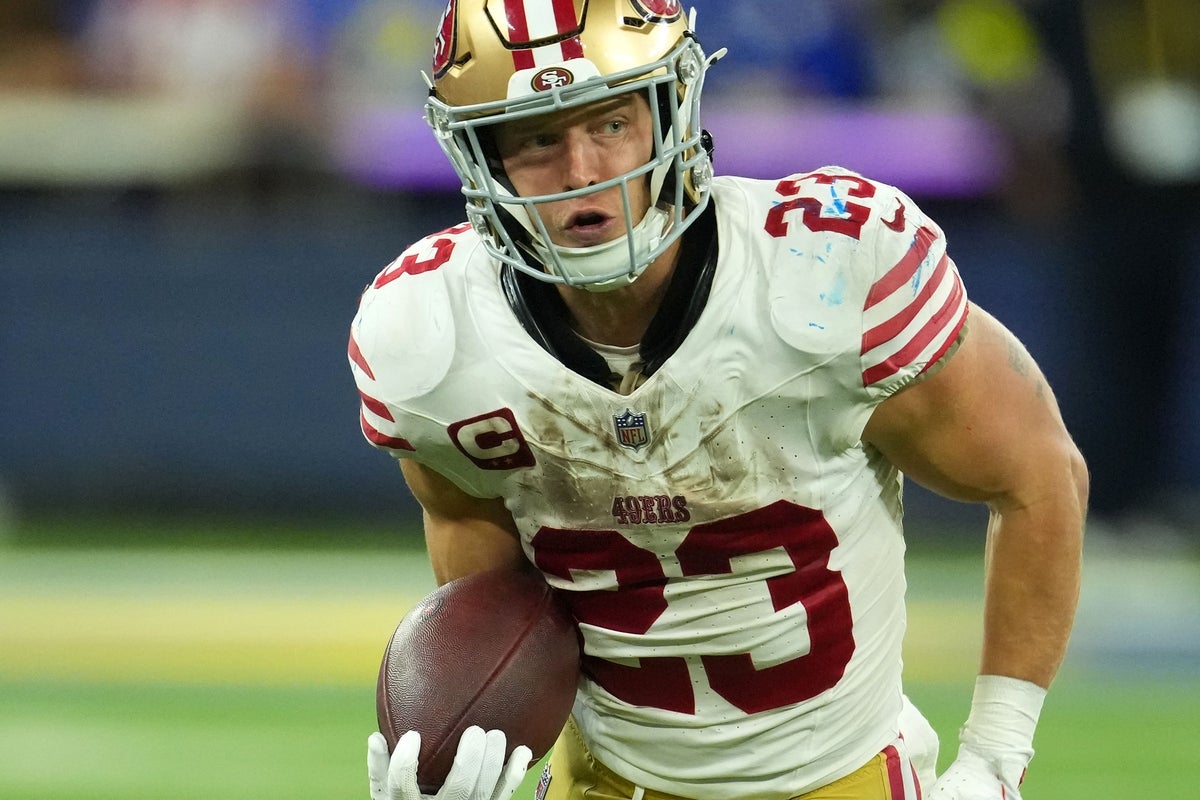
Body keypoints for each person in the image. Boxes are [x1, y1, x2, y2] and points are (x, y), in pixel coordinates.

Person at [348, 2, 1088, 799]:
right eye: (536, 137)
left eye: (610, 123)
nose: (581, 171)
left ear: (673, 109)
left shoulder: (822, 272)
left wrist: (995, 755)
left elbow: (1038, 475)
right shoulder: (430, 338)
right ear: (480, 157)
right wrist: (472, 753)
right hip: (605, 781)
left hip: (841, 775)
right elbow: (495, 600)